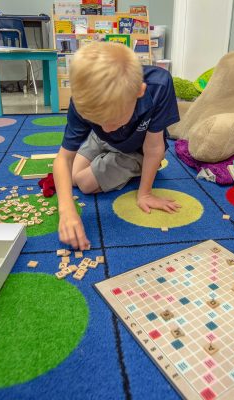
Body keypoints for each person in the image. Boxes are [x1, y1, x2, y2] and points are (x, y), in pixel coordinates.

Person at [53, 41, 181, 250]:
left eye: (115, 119)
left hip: (138, 149)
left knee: (84, 183)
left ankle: (135, 167)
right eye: (97, 119)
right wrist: (66, 211)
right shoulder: (83, 97)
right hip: (99, 139)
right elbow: (63, 158)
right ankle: (108, 152)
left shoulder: (159, 85)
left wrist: (145, 194)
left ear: (139, 92)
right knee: (74, 177)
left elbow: (154, 147)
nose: (108, 127)